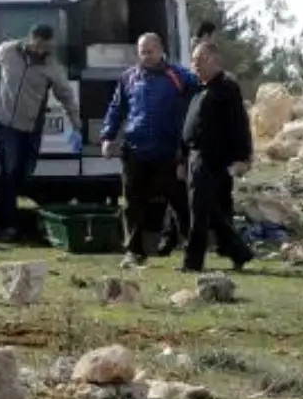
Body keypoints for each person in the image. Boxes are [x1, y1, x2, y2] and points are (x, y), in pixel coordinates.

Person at [0, 24, 82, 241]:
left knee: (24, 173)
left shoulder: (51, 66)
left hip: (31, 127)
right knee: (10, 171)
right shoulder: (8, 51)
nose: (43, 51)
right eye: (41, 46)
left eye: (48, 46)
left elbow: (67, 96)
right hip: (5, 123)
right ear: (32, 39)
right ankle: (9, 225)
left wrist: (77, 126)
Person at [100, 33, 200, 269]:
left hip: (168, 151)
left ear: (160, 49)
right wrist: (107, 136)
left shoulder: (179, 76)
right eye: (142, 51)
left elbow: (203, 92)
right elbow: (116, 109)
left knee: (180, 203)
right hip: (136, 150)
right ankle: (134, 252)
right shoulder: (129, 78)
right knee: (133, 204)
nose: (146, 55)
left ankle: (193, 250)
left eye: (150, 51)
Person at [180, 41, 255, 273]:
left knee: (201, 211)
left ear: (213, 60)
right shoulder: (199, 88)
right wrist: (182, 158)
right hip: (195, 157)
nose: (195, 65)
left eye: (199, 60)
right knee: (209, 211)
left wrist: (243, 157)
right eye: (193, 61)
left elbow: (239, 125)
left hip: (213, 158)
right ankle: (238, 251)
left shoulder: (226, 88)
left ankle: (193, 262)